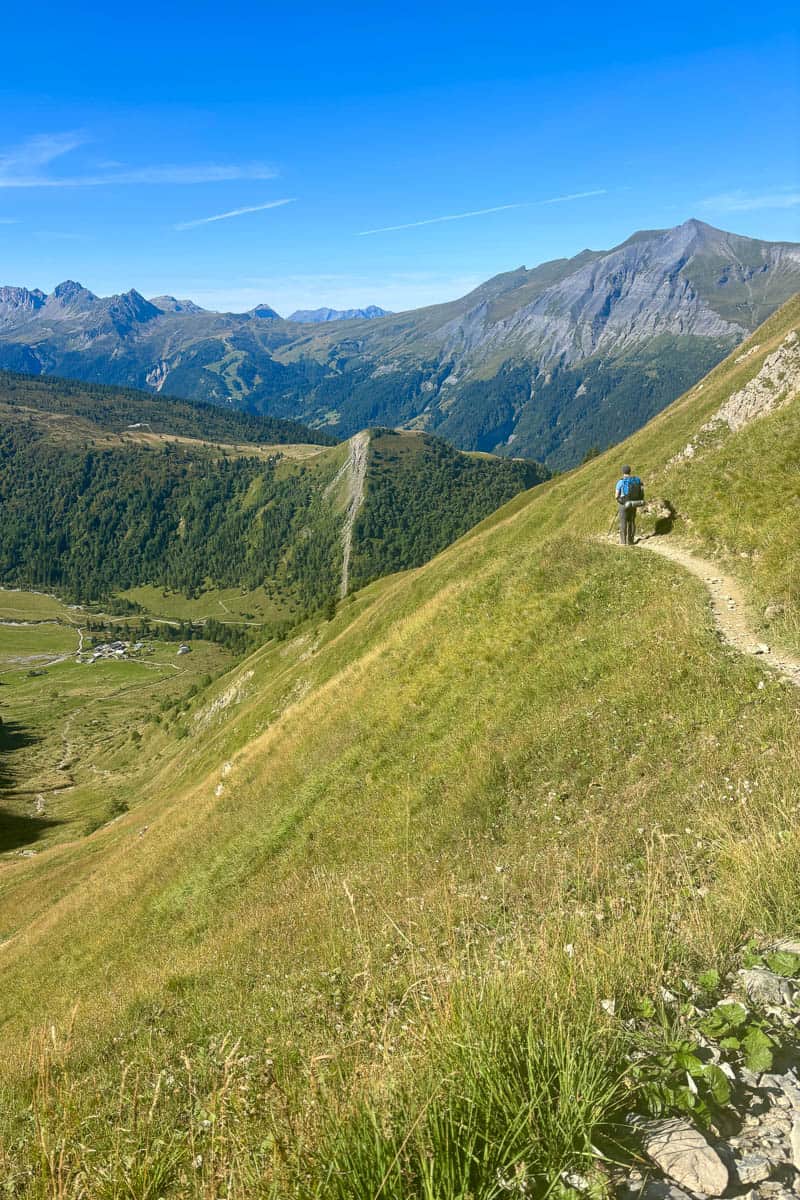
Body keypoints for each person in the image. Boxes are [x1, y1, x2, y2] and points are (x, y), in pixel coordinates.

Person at [615, 464, 644, 545]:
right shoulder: (636, 480)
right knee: (631, 521)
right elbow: (641, 491)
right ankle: (630, 541)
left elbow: (616, 495)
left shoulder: (621, 482)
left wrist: (619, 500)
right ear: (630, 471)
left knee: (623, 522)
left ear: (623, 472)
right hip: (633, 503)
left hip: (623, 503)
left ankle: (623, 542)